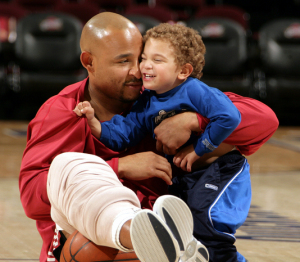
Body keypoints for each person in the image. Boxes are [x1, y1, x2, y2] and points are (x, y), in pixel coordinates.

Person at [19, 12, 278, 262]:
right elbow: (32, 197)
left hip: (156, 261)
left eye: (140, 59)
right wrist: (120, 168)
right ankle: (154, 243)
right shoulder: (65, 112)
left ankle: (169, 261)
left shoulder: (161, 96)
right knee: (68, 167)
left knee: (207, 182)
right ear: (89, 62)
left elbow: (264, 120)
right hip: (91, 253)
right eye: (122, 61)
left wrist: (193, 121)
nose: (137, 71)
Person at [74, 23, 242, 172]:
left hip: (218, 170)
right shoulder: (146, 100)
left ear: (183, 71)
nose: (145, 65)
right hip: (181, 174)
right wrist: (95, 125)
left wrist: (198, 149)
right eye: (144, 58)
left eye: (157, 60)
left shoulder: (194, 90)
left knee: (211, 209)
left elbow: (229, 117)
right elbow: (125, 132)